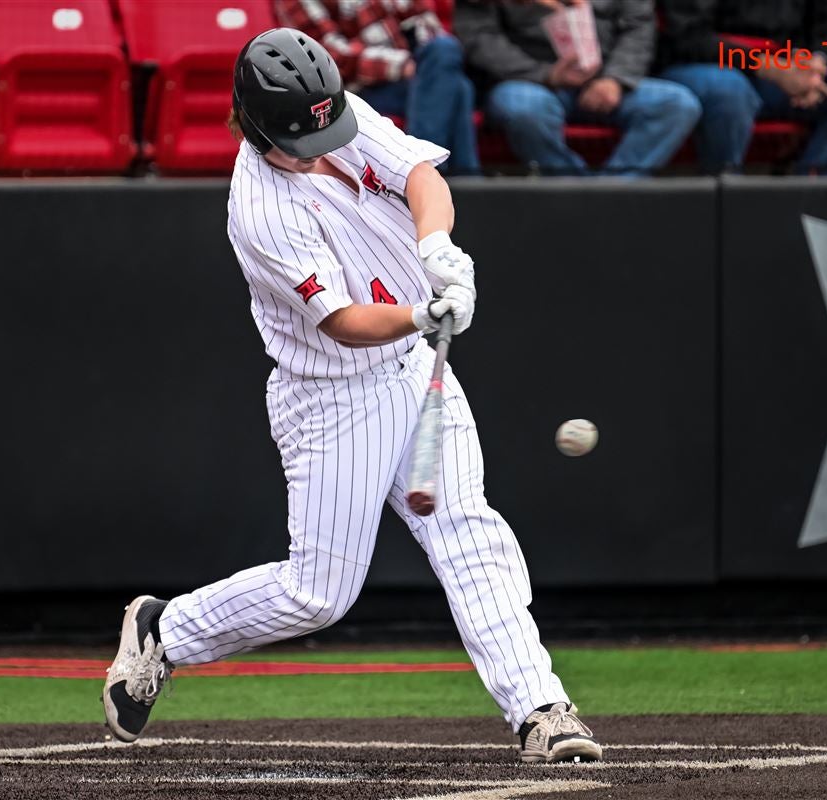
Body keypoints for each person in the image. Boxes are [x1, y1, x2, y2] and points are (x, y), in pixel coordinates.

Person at [102, 28, 601, 765]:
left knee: (467, 532)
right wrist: (420, 312)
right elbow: (342, 322)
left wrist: (437, 250)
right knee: (319, 596)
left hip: (414, 365)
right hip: (334, 395)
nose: (322, 140)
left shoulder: (334, 112)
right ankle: (166, 631)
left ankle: (541, 711)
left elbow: (420, 179)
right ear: (260, 124)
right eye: (303, 133)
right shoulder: (261, 210)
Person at [454, 0, 701, 176]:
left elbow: (639, 26)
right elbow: (479, 37)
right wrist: (546, 75)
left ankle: (612, 194)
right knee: (524, 108)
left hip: (607, 80)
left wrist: (616, 79)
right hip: (531, 82)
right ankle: (575, 189)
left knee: (677, 104)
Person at [659, 0, 827, 174]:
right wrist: (765, 65)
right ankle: (727, 205)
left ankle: (808, 199)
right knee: (728, 91)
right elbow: (688, 37)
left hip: (792, 67)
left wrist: (818, 62)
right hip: (709, 63)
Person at [275, 0, 481, 175]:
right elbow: (326, 58)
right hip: (351, 93)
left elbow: (428, 27)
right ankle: (452, 178)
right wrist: (402, 65)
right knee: (456, 86)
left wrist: (422, 62)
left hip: (415, 77)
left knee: (445, 57)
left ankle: (422, 171)